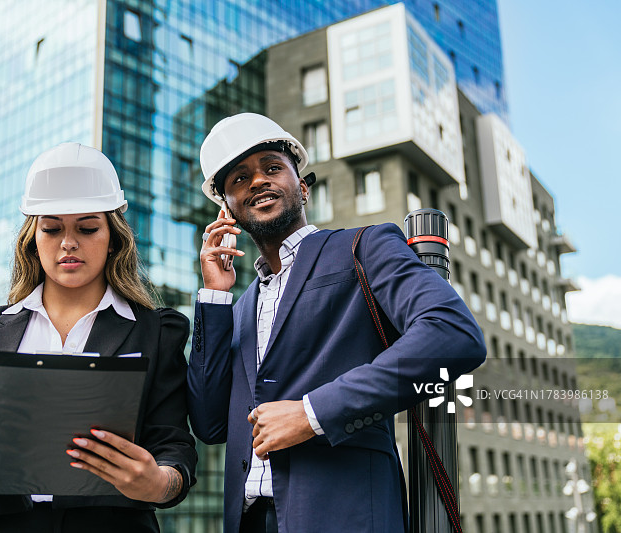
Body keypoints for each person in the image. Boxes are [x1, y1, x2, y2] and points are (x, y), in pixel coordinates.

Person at [187, 113, 486, 533]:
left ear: (303, 186)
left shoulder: (363, 248)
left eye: (272, 168)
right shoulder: (237, 308)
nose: (256, 182)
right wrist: (214, 296)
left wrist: (312, 414)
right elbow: (210, 423)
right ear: (227, 209)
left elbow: (453, 334)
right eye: (238, 179)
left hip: (344, 515)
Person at [0, 143, 197, 533]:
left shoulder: (157, 333)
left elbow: (174, 445)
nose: (68, 243)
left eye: (87, 228)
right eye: (52, 228)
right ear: (32, 239)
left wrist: (158, 483)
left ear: (113, 237)